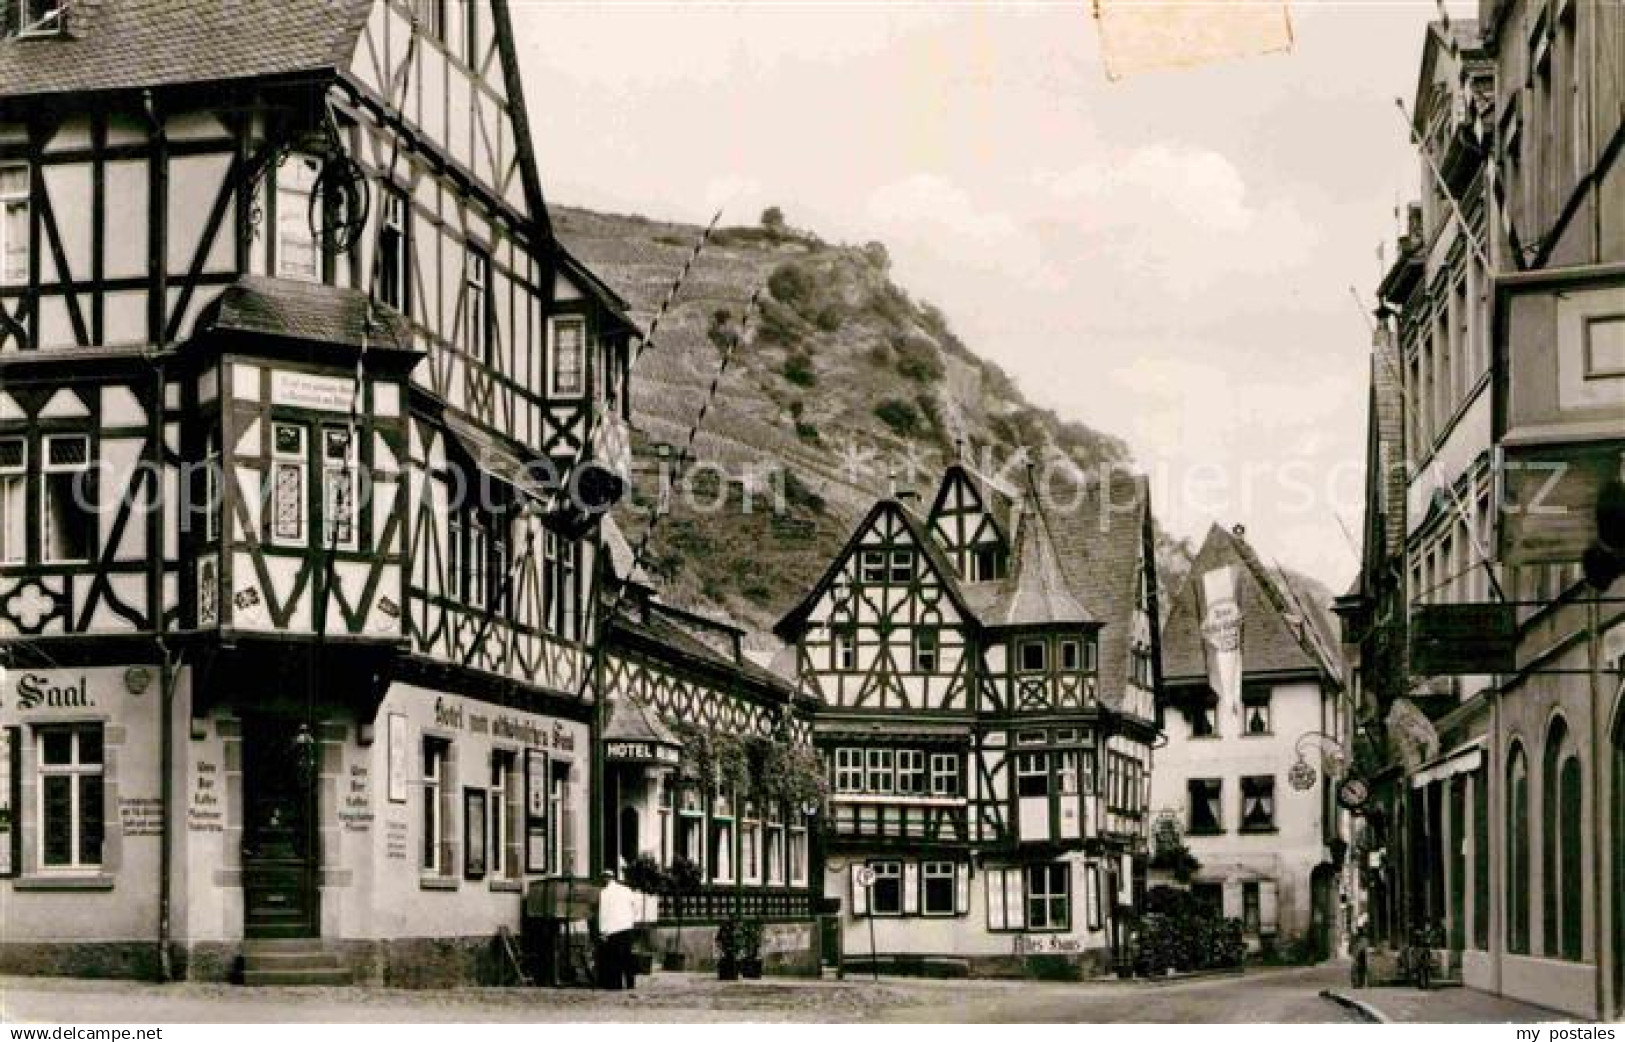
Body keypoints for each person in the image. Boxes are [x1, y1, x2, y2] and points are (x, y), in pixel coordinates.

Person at [596, 869, 640, 990]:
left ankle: (616, 984)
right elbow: (636, 907)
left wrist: (602, 931)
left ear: (605, 879)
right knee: (627, 956)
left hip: (613, 929)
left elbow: (603, 913)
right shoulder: (626, 890)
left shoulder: (604, 893)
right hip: (626, 927)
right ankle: (630, 983)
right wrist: (631, 920)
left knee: (614, 957)